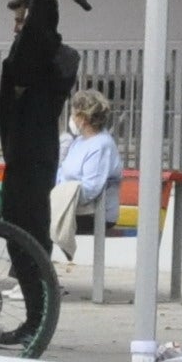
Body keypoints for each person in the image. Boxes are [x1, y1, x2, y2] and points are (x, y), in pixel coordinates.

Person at [0, 0, 86, 263]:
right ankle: (31, 277)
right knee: (17, 227)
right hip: (21, 156)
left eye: (22, 22)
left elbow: (36, 37)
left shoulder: (49, 58)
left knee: (29, 228)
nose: (16, 29)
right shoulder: (34, 58)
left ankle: (37, 281)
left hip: (33, 157)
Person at [47, 89, 121, 274]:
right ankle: (32, 278)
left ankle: (36, 279)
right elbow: (62, 173)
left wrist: (59, 198)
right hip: (71, 206)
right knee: (32, 215)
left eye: (73, 113)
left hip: (95, 213)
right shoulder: (79, 141)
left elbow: (90, 189)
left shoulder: (101, 145)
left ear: (83, 118)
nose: (71, 118)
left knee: (38, 219)